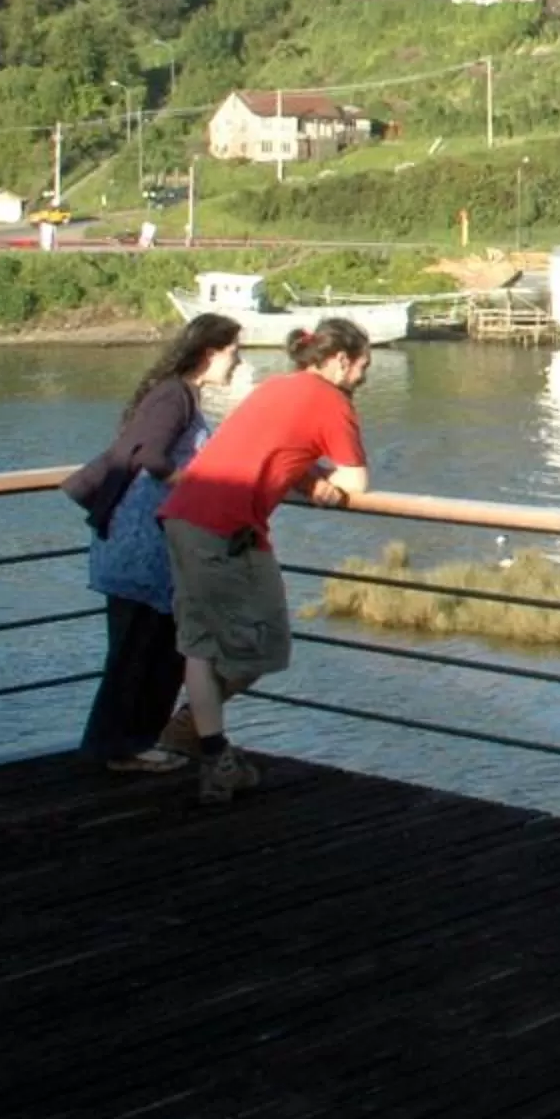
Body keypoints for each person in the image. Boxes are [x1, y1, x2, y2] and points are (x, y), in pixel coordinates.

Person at [158, 316, 374, 805]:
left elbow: (272, 448)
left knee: (199, 645)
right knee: (266, 647)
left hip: (183, 516)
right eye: (363, 366)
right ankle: (187, 729)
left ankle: (215, 761)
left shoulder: (277, 387)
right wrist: (326, 485)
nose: (363, 377)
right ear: (340, 361)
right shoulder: (331, 401)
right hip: (225, 530)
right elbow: (357, 484)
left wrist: (306, 477)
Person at [69, 313, 244, 771]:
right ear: (210, 352)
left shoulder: (179, 393)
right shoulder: (173, 395)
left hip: (155, 546)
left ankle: (136, 743)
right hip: (142, 546)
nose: (238, 359)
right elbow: (149, 453)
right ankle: (117, 748)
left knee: (157, 647)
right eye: (233, 351)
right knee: (137, 650)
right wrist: (194, 483)